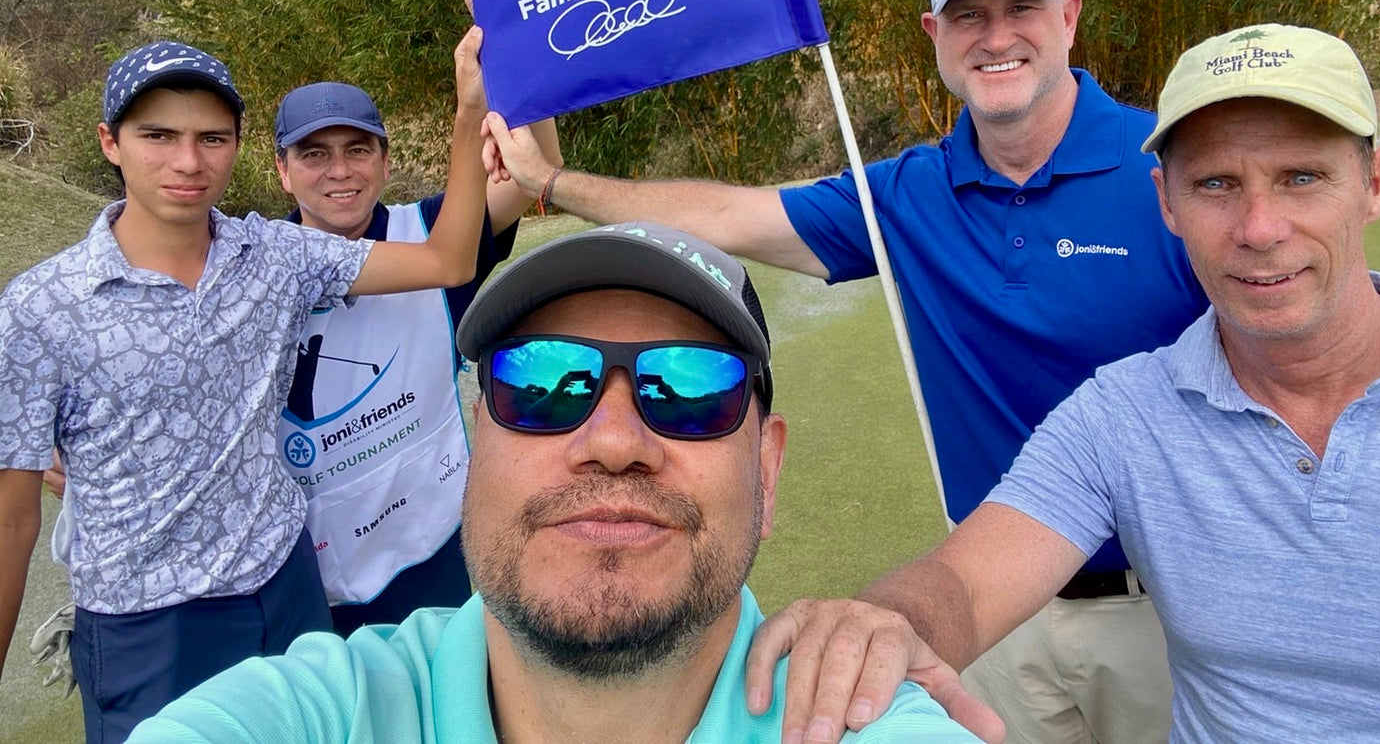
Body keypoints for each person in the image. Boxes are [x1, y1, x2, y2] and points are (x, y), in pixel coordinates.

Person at [481, 0, 1209, 742]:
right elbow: (731, 216)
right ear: (934, 34)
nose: (995, 35)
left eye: (1022, 8)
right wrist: (554, 181)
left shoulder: (1167, 163)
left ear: (1069, 17)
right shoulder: (905, 194)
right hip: (987, 609)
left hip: (1163, 610)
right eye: (969, 15)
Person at [741, 23, 1380, 742]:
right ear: (1165, 203)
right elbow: (967, 583)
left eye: (1300, 177)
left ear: (1373, 183)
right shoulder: (1121, 413)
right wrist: (883, 624)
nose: (1259, 228)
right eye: (1214, 184)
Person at [128, 222, 987, 744]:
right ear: (474, 436)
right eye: (542, 384)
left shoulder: (861, 722)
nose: (614, 441)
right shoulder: (324, 712)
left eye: (689, 389)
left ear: (765, 465)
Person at [0, 0, 492, 742]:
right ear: (110, 143)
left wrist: (468, 111)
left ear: (235, 146)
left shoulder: (277, 254)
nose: (187, 161)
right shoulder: (41, 307)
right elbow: (11, 519)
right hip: (147, 623)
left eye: (211, 138)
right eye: (157, 136)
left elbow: (448, 257)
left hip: (287, 584)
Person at [272, 59, 561, 634]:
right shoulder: (251, 268)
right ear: (282, 171)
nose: (339, 171)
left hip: (430, 545)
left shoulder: (434, 231)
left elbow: (540, 170)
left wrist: (523, 46)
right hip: (305, 575)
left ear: (384, 160)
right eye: (313, 154)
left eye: (358, 150)